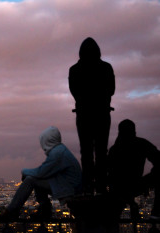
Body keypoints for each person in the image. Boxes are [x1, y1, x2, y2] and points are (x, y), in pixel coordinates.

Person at [0, 126, 82, 220]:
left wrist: (25, 172)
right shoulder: (60, 150)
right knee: (36, 180)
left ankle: (12, 211)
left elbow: (41, 172)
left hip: (70, 188)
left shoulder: (57, 153)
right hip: (69, 185)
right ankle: (44, 210)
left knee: (31, 180)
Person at [68, 37, 115, 195]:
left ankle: (88, 186)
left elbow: (74, 90)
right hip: (102, 114)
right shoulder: (106, 67)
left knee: (86, 151)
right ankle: (101, 186)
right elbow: (111, 89)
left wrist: (85, 102)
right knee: (101, 151)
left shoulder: (74, 70)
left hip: (83, 115)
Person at [107, 119, 160, 219]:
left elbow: (111, 175)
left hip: (119, 189)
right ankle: (156, 213)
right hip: (135, 185)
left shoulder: (115, 149)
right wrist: (151, 177)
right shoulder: (141, 144)